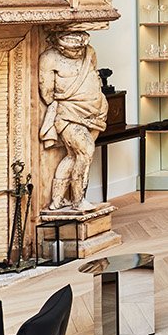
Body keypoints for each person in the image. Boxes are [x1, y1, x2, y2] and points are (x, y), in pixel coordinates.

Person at [39, 28, 107, 211]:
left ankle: (57, 200)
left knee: (72, 155)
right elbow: (46, 93)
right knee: (86, 152)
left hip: (95, 113)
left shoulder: (89, 51)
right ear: (59, 46)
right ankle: (78, 200)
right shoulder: (49, 58)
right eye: (72, 49)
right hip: (69, 113)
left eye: (80, 48)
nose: (77, 52)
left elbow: (94, 74)